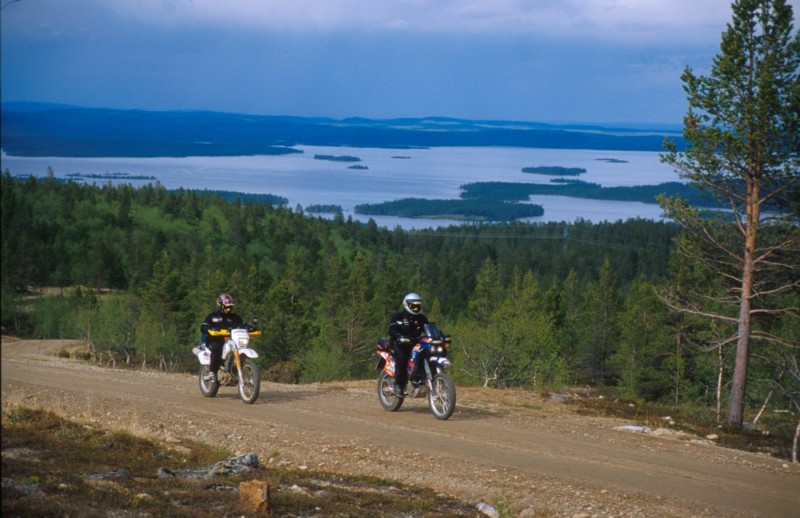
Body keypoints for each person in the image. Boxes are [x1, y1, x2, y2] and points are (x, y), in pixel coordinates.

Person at [387, 292, 429, 397]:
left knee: (426, 354)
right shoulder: (398, 316)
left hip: (415, 344)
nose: (416, 308)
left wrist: (439, 335)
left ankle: (421, 378)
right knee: (402, 358)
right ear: (406, 305)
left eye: (418, 306)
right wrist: (399, 336)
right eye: (413, 306)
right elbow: (392, 328)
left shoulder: (421, 318)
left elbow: (429, 328)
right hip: (399, 344)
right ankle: (398, 384)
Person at [200, 293, 244, 384]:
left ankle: (236, 372)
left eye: (230, 307)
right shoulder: (212, 316)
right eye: (226, 307)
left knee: (241, 348)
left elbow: (242, 325)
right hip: (214, 339)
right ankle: (212, 372)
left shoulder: (235, 317)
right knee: (217, 347)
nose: (229, 309)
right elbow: (204, 326)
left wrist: (251, 328)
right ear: (220, 305)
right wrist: (209, 329)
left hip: (231, 340)